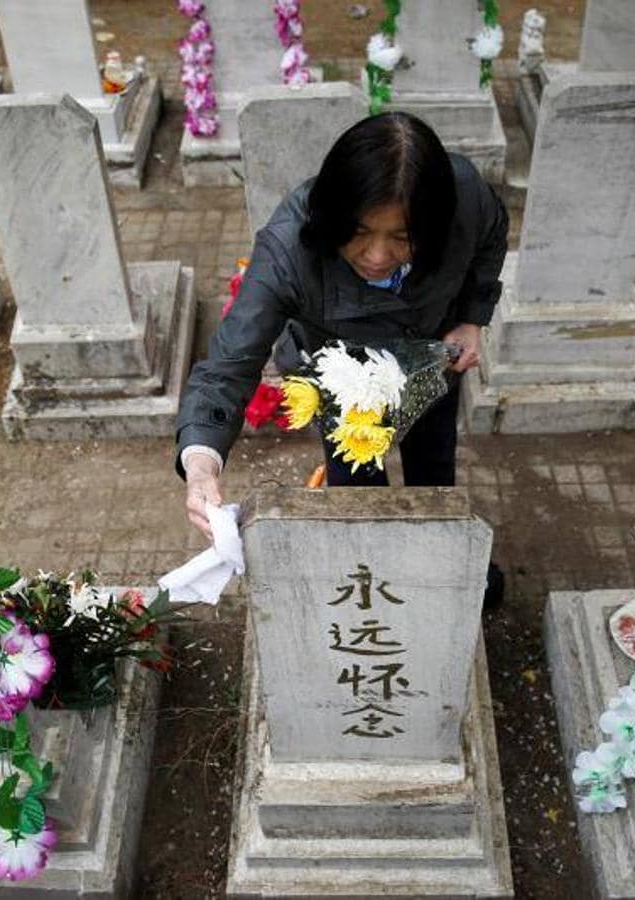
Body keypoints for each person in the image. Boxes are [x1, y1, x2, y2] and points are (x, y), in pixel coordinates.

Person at [173, 112, 508, 601]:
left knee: (434, 472)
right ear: (333, 213)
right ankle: (371, 585)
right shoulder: (289, 248)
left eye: (402, 236)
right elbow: (228, 365)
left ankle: (440, 572)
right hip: (342, 386)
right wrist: (201, 463)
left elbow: (491, 240)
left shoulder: (464, 198)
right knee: (355, 489)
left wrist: (472, 319)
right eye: (360, 231)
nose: (376, 255)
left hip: (432, 364)